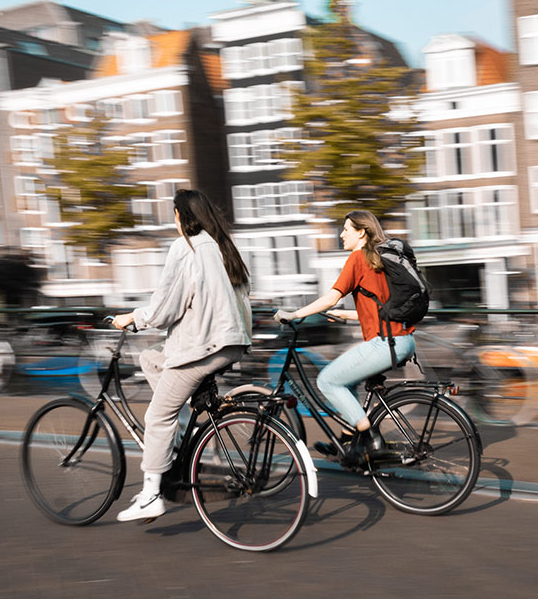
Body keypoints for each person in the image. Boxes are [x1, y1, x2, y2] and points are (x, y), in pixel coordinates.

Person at [113, 189, 252, 522]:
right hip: (232, 343)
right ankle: (182, 430)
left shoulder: (186, 247)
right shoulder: (223, 246)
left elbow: (165, 309)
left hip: (201, 347)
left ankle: (151, 496)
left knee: (157, 416)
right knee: (151, 358)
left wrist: (133, 318)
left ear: (180, 215)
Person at [274, 209, 415, 459]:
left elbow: (331, 297)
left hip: (385, 343)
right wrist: (346, 315)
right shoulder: (378, 262)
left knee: (327, 381)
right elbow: (379, 311)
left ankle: (371, 440)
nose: (341, 234)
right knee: (346, 382)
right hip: (402, 340)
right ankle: (347, 440)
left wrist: (294, 314)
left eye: (346, 229)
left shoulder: (358, 258)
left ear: (361, 233)